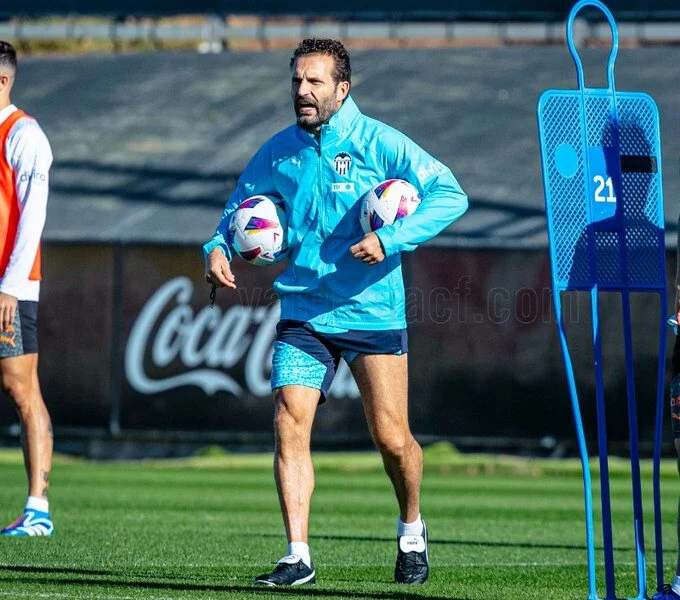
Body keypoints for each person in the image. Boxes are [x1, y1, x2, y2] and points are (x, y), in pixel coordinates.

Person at [204, 38, 467, 586]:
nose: (302, 91)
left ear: (342, 89)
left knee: (393, 439)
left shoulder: (380, 142)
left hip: (371, 311)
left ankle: (412, 529)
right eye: (297, 81)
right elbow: (239, 207)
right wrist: (217, 245)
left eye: (314, 81)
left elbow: (450, 193)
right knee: (287, 420)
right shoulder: (278, 150)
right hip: (303, 313)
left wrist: (393, 237)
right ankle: (297, 554)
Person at [0, 41, 54, 537]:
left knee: (20, 388)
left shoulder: (24, 135)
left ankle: (38, 507)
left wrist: (11, 287)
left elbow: (31, 216)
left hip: (10, 288)